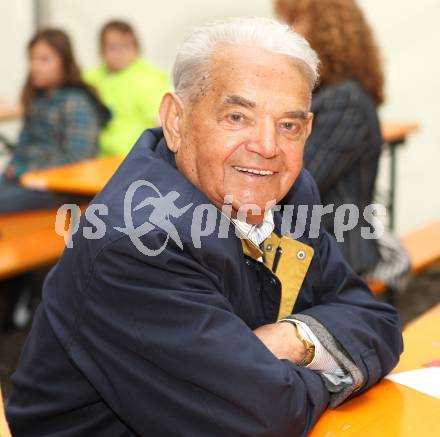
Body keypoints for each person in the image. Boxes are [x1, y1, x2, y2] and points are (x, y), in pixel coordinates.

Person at [7, 18, 402, 436]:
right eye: (237, 116)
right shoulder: (138, 244)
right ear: (175, 121)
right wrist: (322, 361)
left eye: (288, 125)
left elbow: (377, 320)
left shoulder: (287, 193)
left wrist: (294, 339)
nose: (267, 147)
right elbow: (263, 417)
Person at [275, 0, 386, 276]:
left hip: (340, 255)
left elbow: (294, 182)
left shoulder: (344, 99)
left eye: (294, 21)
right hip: (317, 249)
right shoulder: (332, 95)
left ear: (327, 30)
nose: (285, 32)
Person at [0, 29, 110, 215]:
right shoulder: (37, 98)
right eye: (32, 59)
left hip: (57, 188)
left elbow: (76, 160)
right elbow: (23, 147)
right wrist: (15, 169)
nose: (35, 66)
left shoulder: (76, 101)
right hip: (27, 180)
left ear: (64, 63)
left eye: (44, 60)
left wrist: (22, 170)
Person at [84, 20, 170, 157]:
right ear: (101, 51)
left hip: (135, 155)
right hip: (97, 154)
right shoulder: (91, 79)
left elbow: (160, 121)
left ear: (137, 49)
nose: (121, 53)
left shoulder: (146, 78)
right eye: (114, 47)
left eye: (127, 47)